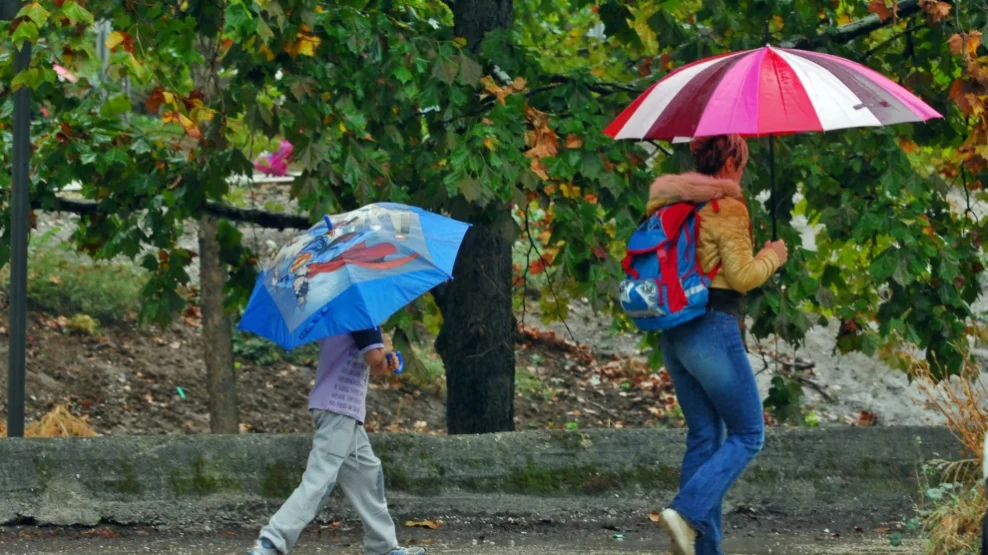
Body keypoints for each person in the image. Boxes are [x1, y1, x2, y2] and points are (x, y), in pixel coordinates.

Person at [649, 135, 788, 555]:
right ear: (730, 160)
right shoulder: (725, 206)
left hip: (674, 332)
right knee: (748, 433)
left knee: (705, 436)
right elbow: (742, 276)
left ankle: (704, 550)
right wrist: (774, 255)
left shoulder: (669, 204)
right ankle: (686, 512)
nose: (742, 170)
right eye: (741, 161)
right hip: (712, 327)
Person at [249, 329, 425, 555]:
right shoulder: (361, 315)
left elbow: (375, 365)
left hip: (343, 410)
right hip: (339, 408)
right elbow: (374, 357)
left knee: (367, 474)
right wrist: (386, 346)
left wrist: (386, 360)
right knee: (319, 479)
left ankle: (383, 547)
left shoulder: (342, 315)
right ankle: (271, 542)